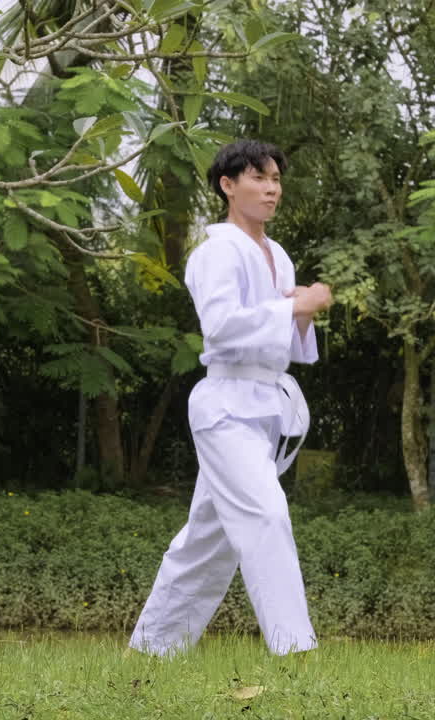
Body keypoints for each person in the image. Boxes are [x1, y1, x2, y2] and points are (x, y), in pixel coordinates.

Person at [129, 139, 333, 657]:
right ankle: (295, 648)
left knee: (207, 541)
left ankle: (154, 647)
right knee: (266, 513)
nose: (271, 190)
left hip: (267, 403)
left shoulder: (278, 256)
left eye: (276, 180)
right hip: (225, 404)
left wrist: (302, 313)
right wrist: (291, 309)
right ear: (228, 185)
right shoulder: (215, 250)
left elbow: (286, 345)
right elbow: (220, 329)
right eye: (259, 179)